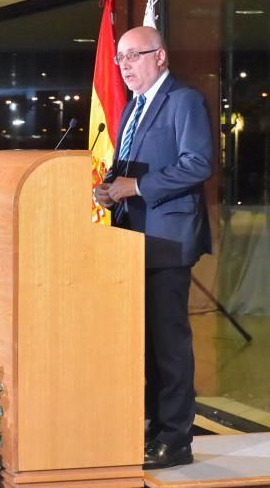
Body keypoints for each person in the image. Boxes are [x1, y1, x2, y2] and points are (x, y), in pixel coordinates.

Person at [95, 26, 212, 470]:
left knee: (168, 344)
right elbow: (125, 171)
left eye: (132, 56)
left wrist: (137, 186)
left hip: (167, 240)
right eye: (119, 58)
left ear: (160, 56)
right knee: (141, 343)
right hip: (130, 241)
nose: (123, 66)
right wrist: (109, 190)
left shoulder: (183, 100)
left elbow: (198, 162)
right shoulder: (131, 109)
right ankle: (150, 425)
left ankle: (176, 438)